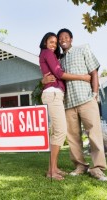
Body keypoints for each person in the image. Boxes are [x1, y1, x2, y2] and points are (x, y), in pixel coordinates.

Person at [43, 28, 107, 181]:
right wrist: (43, 81)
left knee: (94, 134)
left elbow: (93, 72)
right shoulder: (57, 59)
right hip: (67, 103)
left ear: (71, 39)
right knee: (73, 137)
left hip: (86, 98)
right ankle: (80, 165)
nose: (62, 40)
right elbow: (51, 75)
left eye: (65, 37)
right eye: (60, 38)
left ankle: (98, 168)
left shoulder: (83, 49)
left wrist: (94, 94)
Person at [39, 32, 91, 180]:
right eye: (51, 42)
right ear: (45, 43)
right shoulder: (47, 53)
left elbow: (51, 73)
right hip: (53, 94)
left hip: (55, 94)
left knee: (57, 132)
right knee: (61, 131)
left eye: (55, 43)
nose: (54, 45)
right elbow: (58, 73)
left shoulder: (51, 56)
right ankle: (51, 172)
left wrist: (43, 81)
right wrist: (83, 77)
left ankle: (53, 168)